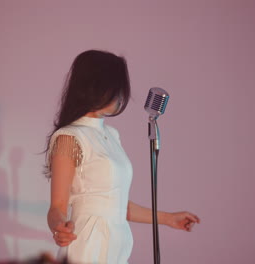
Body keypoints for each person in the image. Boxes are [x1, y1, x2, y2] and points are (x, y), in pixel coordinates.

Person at [43, 49, 200, 263]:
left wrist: (167, 219)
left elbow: (116, 204)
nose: (121, 95)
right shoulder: (70, 137)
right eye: (117, 88)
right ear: (98, 86)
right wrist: (59, 227)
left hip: (118, 240)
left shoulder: (111, 135)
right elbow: (57, 207)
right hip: (88, 241)